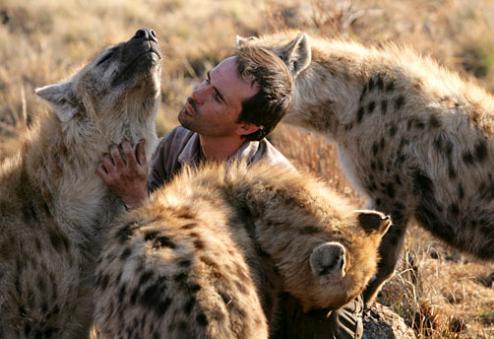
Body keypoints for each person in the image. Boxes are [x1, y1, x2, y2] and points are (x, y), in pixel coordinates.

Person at [97, 45, 363, 339]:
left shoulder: (273, 188)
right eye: (208, 79)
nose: (196, 94)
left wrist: (135, 199)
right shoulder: (179, 142)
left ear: (247, 127)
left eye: (217, 97)